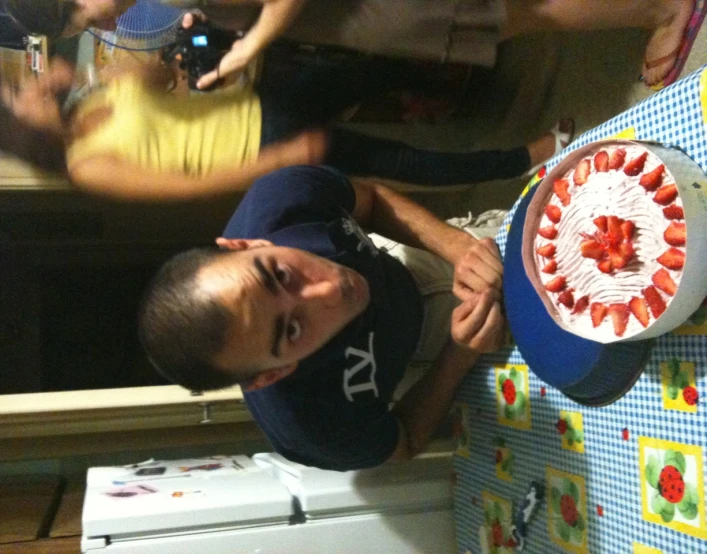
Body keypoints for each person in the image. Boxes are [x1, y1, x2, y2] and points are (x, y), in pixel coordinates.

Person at [138, 164, 506, 470]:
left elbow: (372, 200)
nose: (331, 291)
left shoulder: (278, 200)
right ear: (273, 374)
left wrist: (457, 246)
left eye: (279, 275)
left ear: (246, 244)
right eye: (293, 329)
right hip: (424, 360)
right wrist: (458, 356)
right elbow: (403, 441)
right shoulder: (305, 428)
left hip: (404, 260)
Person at [0, 55, 568, 201]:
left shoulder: (83, 103)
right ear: (16, 130)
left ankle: (473, 54)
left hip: (263, 100)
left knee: (376, 61)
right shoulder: (87, 166)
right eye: (16, 97)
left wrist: (122, 72)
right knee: (400, 161)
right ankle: (524, 158)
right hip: (264, 146)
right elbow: (191, 187)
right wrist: (275, 163)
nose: (25, 89)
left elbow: (166, 78)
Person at [3, 0, 696, 90]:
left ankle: (662, 10)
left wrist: (251, 47)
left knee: (516, 11)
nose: (99, 26)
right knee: (506, 16)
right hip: (351, 18)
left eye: (81, 15)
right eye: (83, 31)